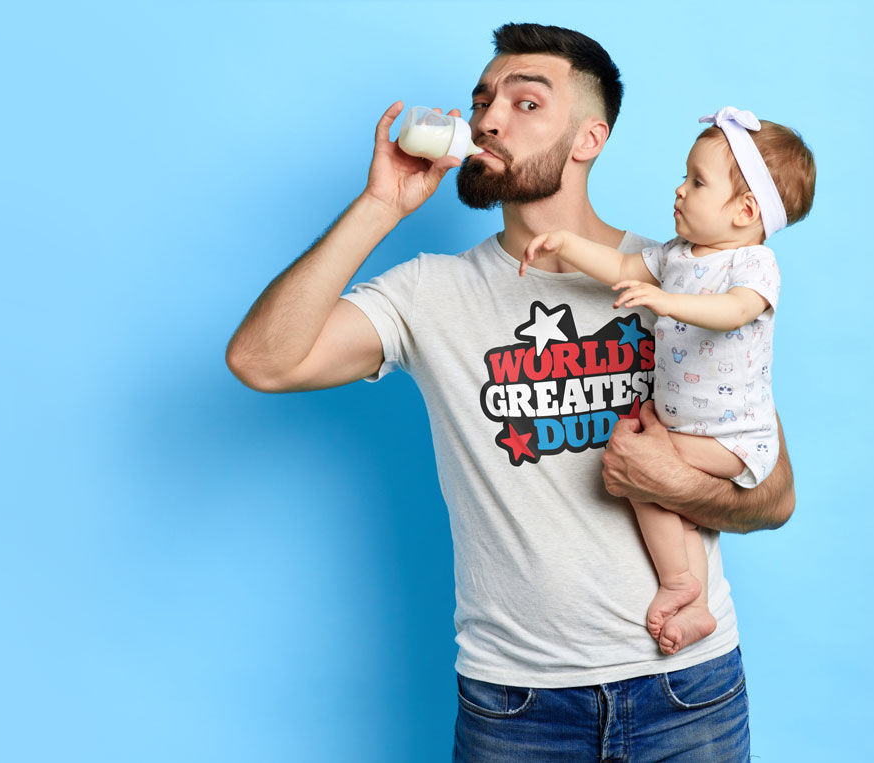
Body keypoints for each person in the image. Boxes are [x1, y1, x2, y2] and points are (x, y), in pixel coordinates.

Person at [225, 23, 795, 761]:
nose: (489, 119)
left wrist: (668, 479)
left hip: (688, 688)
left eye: (526, 103)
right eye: (483, 101)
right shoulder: (430, 292)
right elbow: (262, 361)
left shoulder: (683, 276)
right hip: (517, 706)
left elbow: (773, 494)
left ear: (590, 138)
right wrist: (380, 206)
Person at [518, 106, 815, 657]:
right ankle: (694, 603)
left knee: (638, 471)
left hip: (733, 435)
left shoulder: (753, 264)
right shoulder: (676, 255)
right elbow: (622, 269)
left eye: (698, 182)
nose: (679, 189)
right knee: (659, 489)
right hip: (686, 426)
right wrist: (566, 244)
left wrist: (665, 302)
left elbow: (735, 311)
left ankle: (680, 583)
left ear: (745, 210)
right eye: (685, 176)